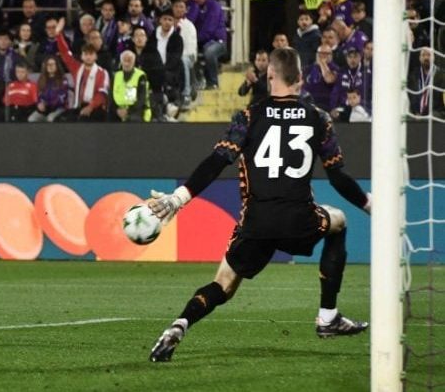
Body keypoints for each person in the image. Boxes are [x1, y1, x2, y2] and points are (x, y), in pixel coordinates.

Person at [148, 47, 370, 363]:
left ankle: (180, 325)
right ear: (301, 78)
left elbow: (216, 161)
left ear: (270, 75)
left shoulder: (249, 116)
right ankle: (327, 316)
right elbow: (338, 177)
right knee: (339, 220)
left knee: (222, 285)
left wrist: (178, 198)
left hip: (256, 223)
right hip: (299, 219)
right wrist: (371, 205)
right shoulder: (318, 118)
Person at [111, 50, 150, 122]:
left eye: (129, 60)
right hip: (118, 109)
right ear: (121, 61)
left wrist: (128, 111)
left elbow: (141, 99)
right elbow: (110, 96)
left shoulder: (141, 75)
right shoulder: (116, 75)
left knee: (133, 119)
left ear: (134, 62)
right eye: (124, 60)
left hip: (134, 109)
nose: (126, 63)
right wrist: (116, 110)